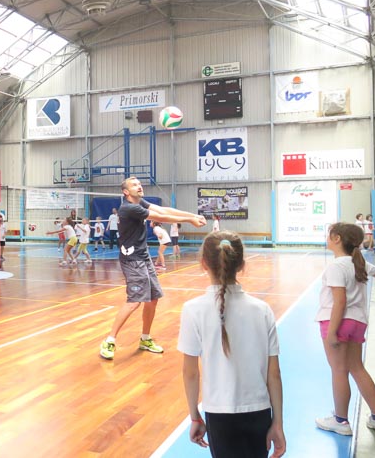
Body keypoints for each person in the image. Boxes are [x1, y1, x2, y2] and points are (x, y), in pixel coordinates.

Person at [179, 232, 285, 457]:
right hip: (259, 411)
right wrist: (278, 422)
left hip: (219, 413)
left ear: (204, 264)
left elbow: (190, 373)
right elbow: (274, 374)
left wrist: (195, 416)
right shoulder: (262, 310)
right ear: (242, 265)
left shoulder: (193, 310)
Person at [99, 177, 206, 360]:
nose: (139, 186)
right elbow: (161, 217)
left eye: (139, 184)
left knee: (153, 298)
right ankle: (109, 340)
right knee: (134, 301)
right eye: (134, 185)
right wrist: (190, 219)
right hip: (132, 260)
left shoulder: (139, 202)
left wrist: (193, 215)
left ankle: (145, 339)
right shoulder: (128, 208)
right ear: (126, 192)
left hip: (144, 256)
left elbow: (164, 210)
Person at [315, 222, 375, 436]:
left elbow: (340, 301)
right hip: (357, 323)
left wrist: (333, 331)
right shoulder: (358, 262)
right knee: (357, 368)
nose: (327, 238)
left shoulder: (336, 266)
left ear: (337, 239)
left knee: (339, 370)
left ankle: (341, 420)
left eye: (329, 235)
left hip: (337, 322)